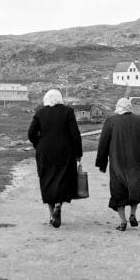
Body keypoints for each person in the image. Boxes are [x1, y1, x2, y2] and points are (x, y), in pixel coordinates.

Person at [96, 97, 140, 231]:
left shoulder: (111, 121)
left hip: (117, 163)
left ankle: (123, 221)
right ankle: (133, 214)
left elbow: (103, 143)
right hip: (136, 162)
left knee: (118, 192)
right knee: (135, 188)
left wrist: (102, 163)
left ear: (118, 107)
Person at [28, 89, 82, 228]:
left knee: (47, 181)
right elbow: (75, 134)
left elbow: (31, 133)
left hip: (45, 152)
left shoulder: (40, 112)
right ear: (59, 99)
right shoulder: (68, 111)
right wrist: (78, 154)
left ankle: (52, 214)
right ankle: (58, 205)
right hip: (65, 151)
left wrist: (39, 143)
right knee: (63, 179)